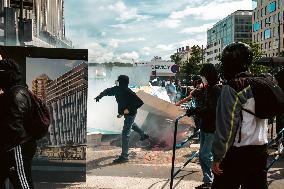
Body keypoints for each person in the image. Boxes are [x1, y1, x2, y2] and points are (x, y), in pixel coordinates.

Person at [212, 42, 268, 189]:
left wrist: (218, 156)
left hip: (237, 152)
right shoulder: (259, 83)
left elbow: (227, 126)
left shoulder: (232, 87)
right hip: (261, 150)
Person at [94, 75, 149, 163]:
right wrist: (100, 96)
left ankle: (124, 156)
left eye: (119, 81)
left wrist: (128, 109)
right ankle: (143, 134)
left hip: (131, 113)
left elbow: (139, 102)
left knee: (125, 134)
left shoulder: (128, 91)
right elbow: (107, 91)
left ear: (122, 82)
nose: (117, 82)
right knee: (132, 125)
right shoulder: (117, 89)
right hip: (125, 113)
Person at [0, 57, 37, 189]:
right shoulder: (15, 92)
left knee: (24, 186)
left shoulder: (15, 95)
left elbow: (13, 129)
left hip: (16, 150)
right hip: (10, 151)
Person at [186, 64, 222, 189]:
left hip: (213, 128)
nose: (203, 79)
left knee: (205, 155)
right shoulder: (208, 88)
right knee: (202, 156)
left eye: (204, 76)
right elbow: (203, 104)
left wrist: (196, 111)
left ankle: (220, 175)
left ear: (209, 76)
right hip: (205, 126)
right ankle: (208, 180)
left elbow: (213, 111)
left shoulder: (217, 89)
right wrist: (196, 109)